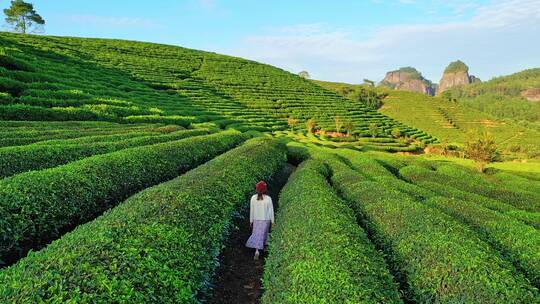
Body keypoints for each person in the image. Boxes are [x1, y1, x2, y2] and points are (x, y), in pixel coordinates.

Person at [245, 181, 274, 260]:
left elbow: (252, 210)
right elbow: (271, 211)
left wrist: (251, 221)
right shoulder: (268, 198)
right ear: (265, 189)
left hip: (256, 219)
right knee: (264, 234)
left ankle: (257, 250)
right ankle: (264, 247)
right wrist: (273, 221)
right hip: (265, 220)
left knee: (256, 234)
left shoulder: (253, 198)